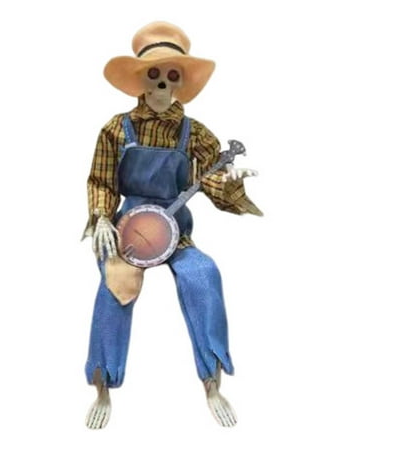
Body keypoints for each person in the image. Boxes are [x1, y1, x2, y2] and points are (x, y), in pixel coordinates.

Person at [83, 21, 262, 428]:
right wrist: (101, 218)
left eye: (172, 76)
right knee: (115, 287)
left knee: (203, 274)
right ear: (140, 80)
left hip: (175, 230)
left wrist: (229, 182)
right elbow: (101, 180)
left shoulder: (193, 133)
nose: (162, 85)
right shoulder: (116, 129)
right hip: (128, 230)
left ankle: (213, 382)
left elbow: (211, 178)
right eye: (154, 75)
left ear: (181, 83)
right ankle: (102, 387)